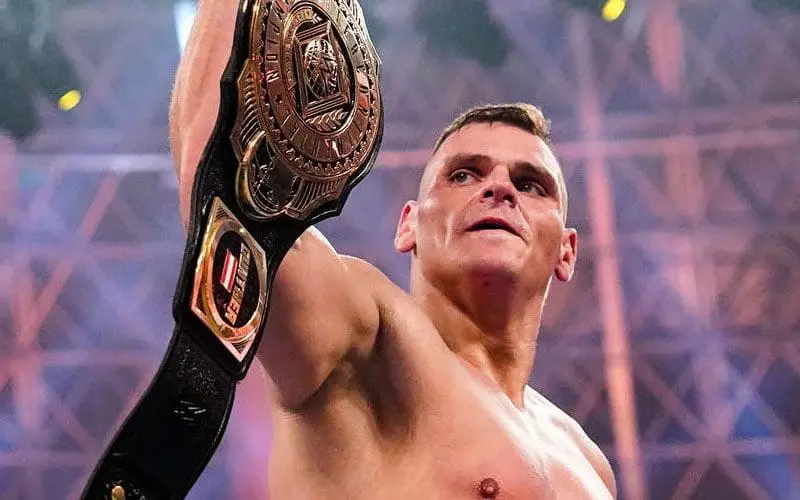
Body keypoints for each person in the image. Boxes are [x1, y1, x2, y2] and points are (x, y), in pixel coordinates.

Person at [170, 2, 617, 498]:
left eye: (531, 184)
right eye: (463, 175)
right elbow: (222, 200)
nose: (499, 189)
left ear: (567, 251)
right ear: (409, 226)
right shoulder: (369, 338)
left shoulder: (588, 465)